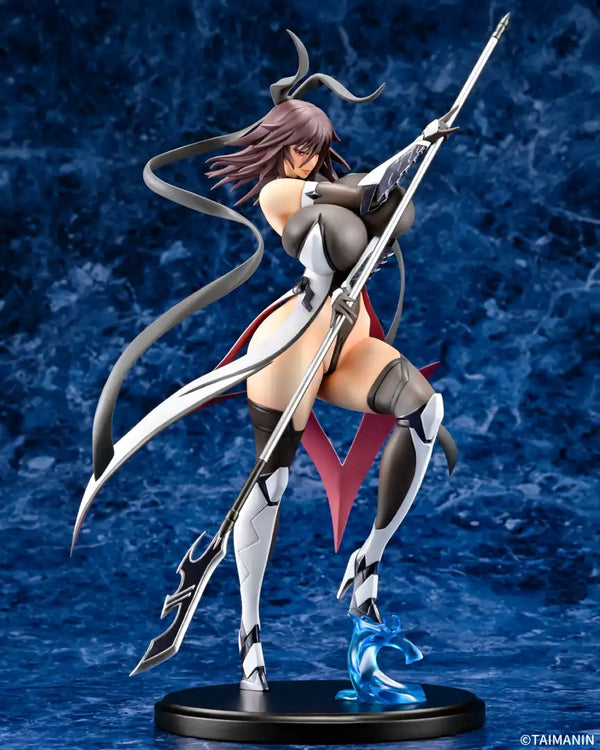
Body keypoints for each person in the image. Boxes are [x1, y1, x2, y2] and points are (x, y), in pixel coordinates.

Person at [73, 31, 457, 692]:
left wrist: (415, 156)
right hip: (291, 348)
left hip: (349, 340)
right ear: (279, 147)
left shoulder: (331, 185)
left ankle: (368, 560)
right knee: (270, 482)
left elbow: (378, 201)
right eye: (298, 146)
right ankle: (249, 634)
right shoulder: (282, 194)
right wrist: (414, 148)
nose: (307, 158)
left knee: (425, 411)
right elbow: (358, 202)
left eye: (314, 147)